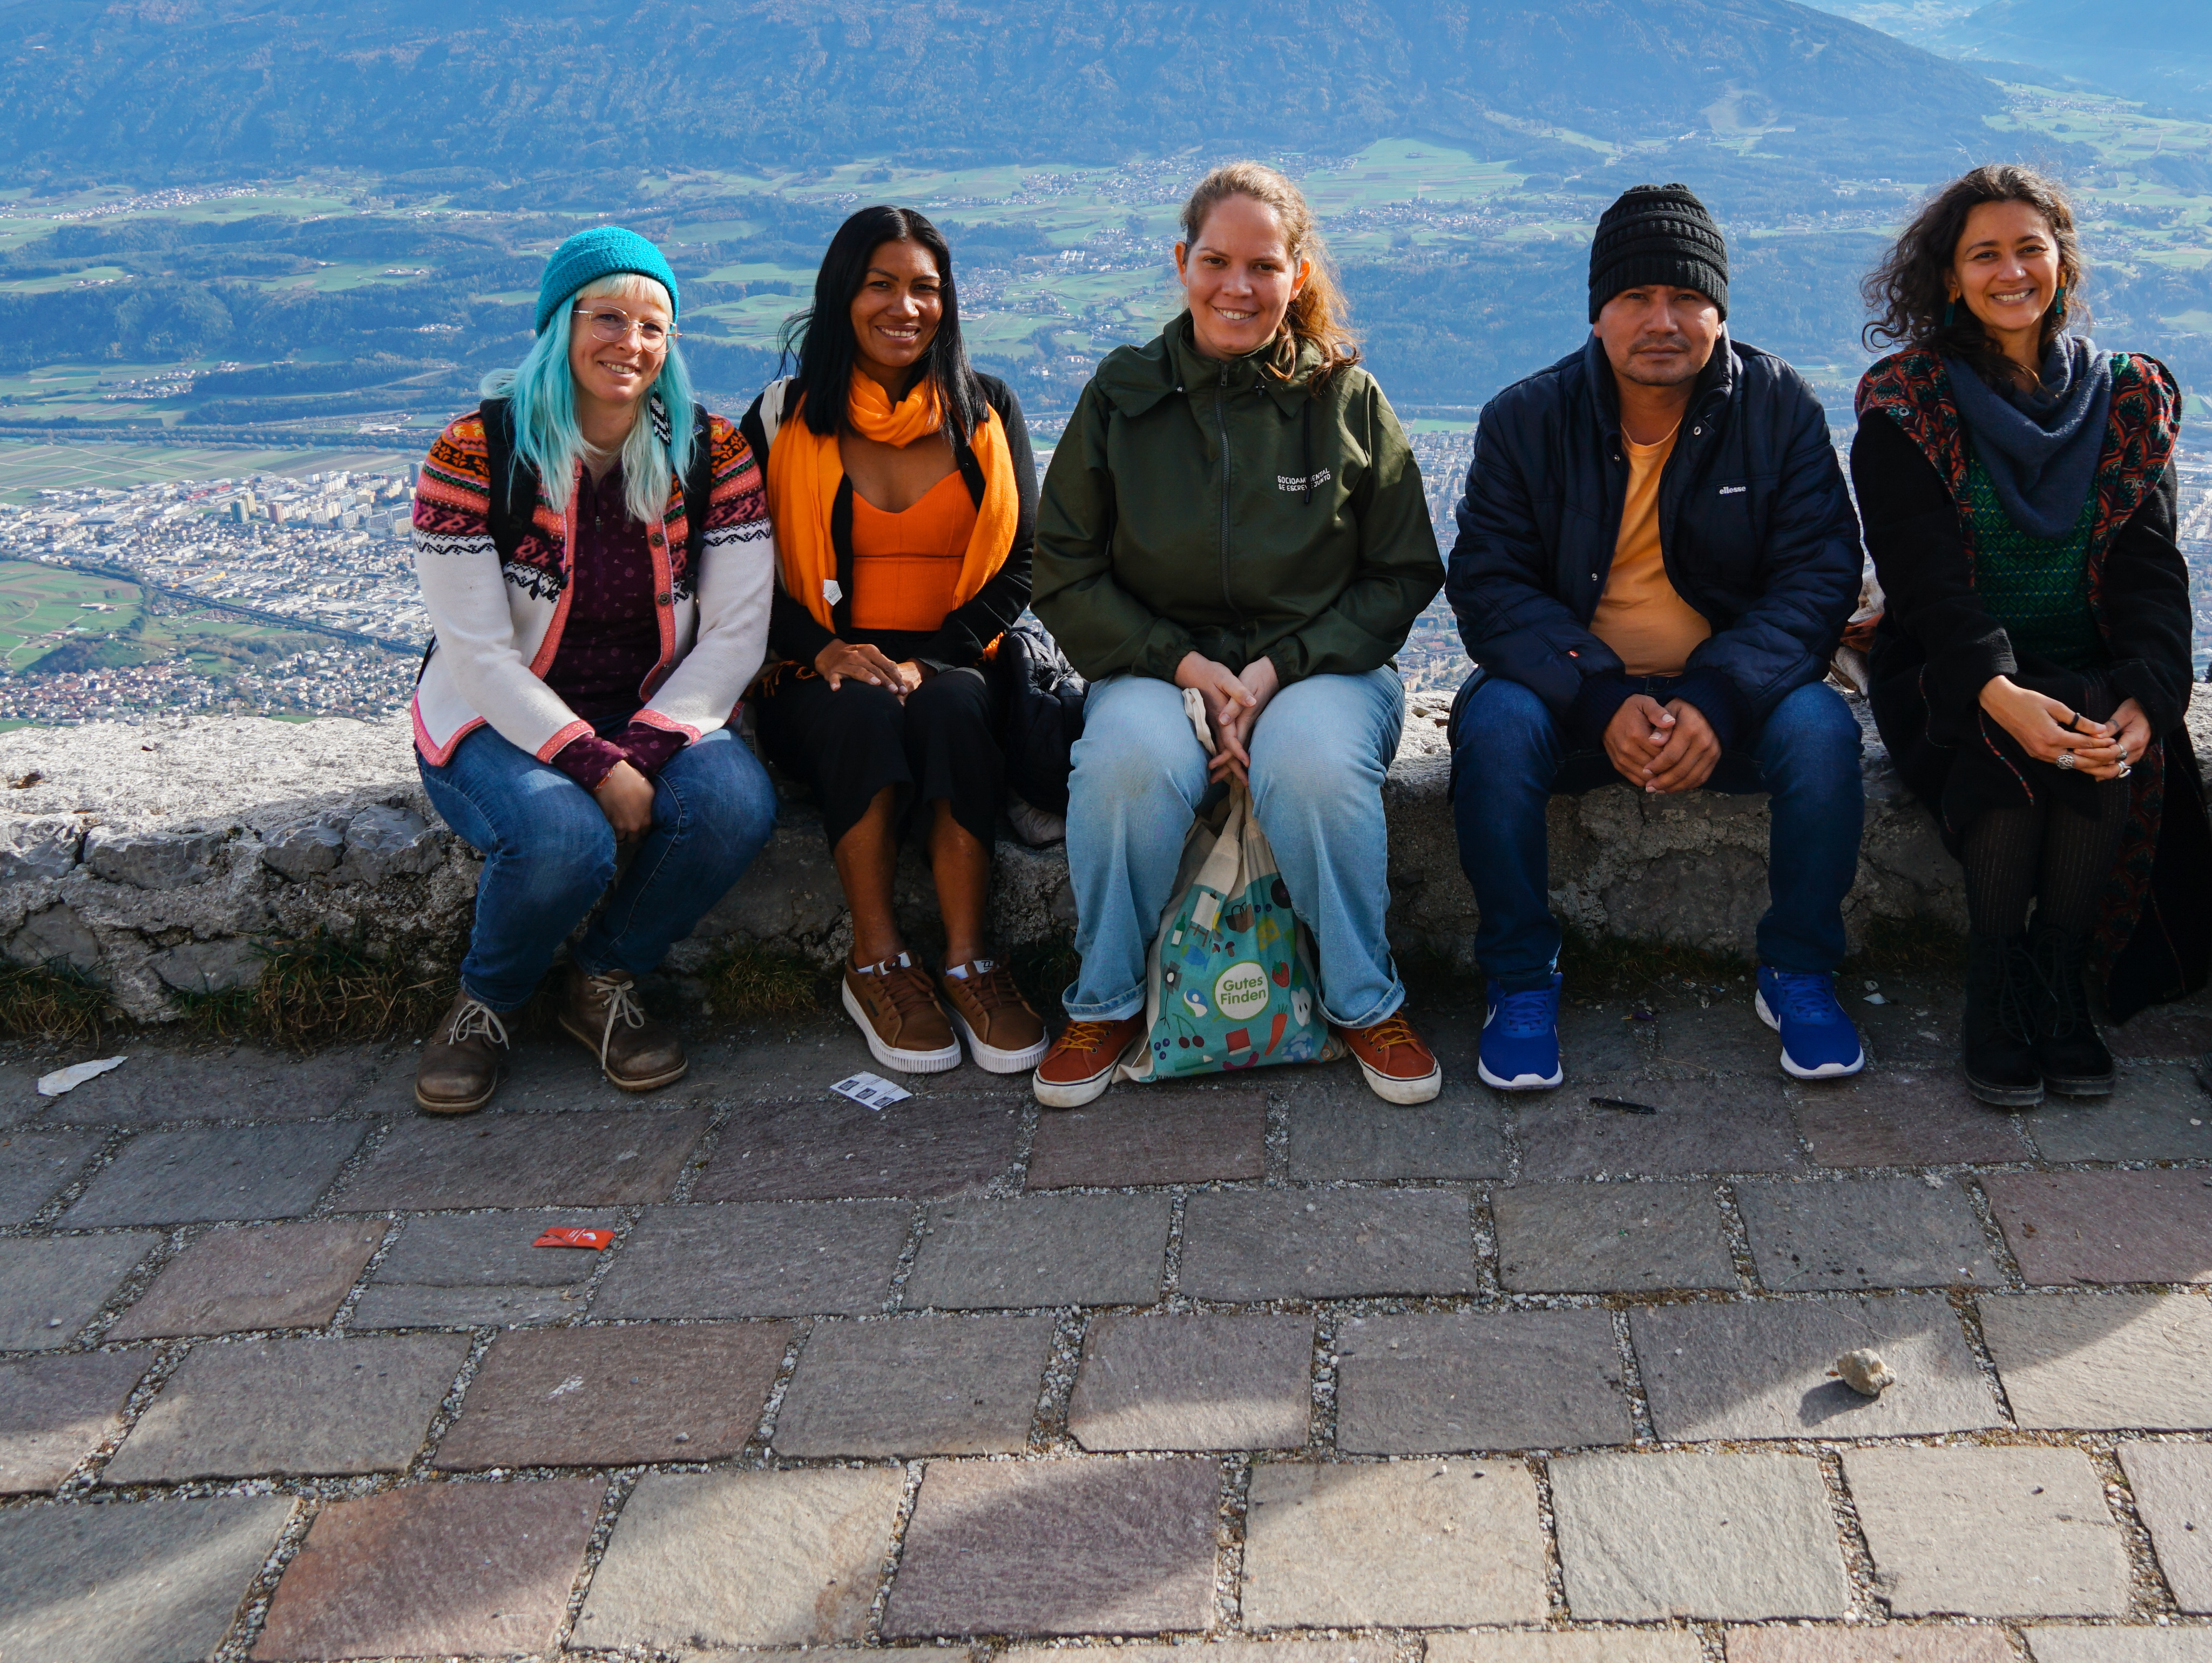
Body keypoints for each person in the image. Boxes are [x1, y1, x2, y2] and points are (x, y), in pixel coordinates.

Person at [1027, 161, 1448, 1110]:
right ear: (1183, 263)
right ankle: (1103, 1002)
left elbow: (1403, 572)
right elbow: (1063, 566)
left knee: (1310, 769)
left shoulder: (1345, 401)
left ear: (1296, 276)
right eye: (1216, 261)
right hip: (1155, 662)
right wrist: (1186, 668)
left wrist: (1271, 670)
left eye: (1263, 266)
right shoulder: (1123, 397)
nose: (1238, 287)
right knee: (1128, 767)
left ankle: (1362, 1000)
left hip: (1318, 669)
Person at [1446, 182, 1868, 1090]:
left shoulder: (1778, 408)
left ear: (1720, 310)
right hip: (1572, 693)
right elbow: (1488, 586)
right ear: (1599, 315)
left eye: (1686, 297)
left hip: (1733, 694)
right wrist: (1599, 696)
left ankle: (1798, 969)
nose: (1662, 320)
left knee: (1824, 736)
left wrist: (1720, 692)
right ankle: (1520, 979)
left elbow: (1820, 572)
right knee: (1493, 730)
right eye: (1636, 298)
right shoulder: (1525, 420)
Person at [1850, 166, 2212, 1108]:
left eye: (2029, 250)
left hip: (2089, 659)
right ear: (1948, 277)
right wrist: (1997, 689)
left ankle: (2057, 980)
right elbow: (1927, 586)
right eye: (1984, 255)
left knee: (2094, 716)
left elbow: (2149, 566)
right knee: (2010, 740)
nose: (2010, 272)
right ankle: (1996, 975)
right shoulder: (1908, 404)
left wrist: (2151, 690)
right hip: (1946, 667)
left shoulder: (2130, 398)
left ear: (2063, 264)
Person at [407, 226, 779, 1113]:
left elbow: (735, 631)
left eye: (654, 326)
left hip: (654, 706)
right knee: (560, 836)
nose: (631, 343)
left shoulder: (712, 451)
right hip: (496, 715)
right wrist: (588, 762)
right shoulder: (476, 451)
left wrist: (641, 750)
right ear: (559, 327)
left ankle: (605, 976)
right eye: (607, 317)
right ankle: (487, 999)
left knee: (734, 805)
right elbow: (479, 654)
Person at [745, 207, 1050, 1077]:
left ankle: (968, 959)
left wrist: (935, 659)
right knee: (860, 714)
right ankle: (875, 961)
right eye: (882, 284)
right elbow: (738, 570)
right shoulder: (782, 418)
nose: (905, 307)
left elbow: (1023, 564)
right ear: (842, 294)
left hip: (956, 657)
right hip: (818, 665)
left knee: (953, 707)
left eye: (925, 288)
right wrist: (825, 650)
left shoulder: (987, 410)